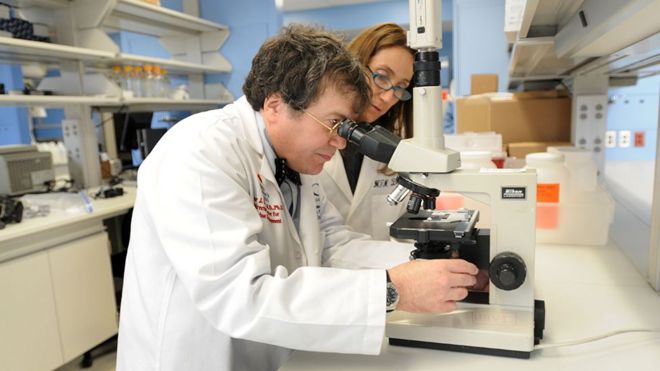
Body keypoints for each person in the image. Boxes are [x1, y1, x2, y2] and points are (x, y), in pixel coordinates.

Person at [116, 24, 478, 371]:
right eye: (334, 124)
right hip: (196, 357)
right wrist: (392, 290)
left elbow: (333, 244)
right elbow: (241, 296)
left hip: (268, 351)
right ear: (275, 105)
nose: (339, 142)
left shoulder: (293, 163)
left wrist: (435, 265)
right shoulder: (200, 150)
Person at [319, 23, 415, 240]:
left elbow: (406, 226)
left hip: (383, 269)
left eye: (400, 86)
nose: (389, 97)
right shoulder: (313, 133)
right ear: (355, 65)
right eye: (381, 77)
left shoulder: (395, 146)